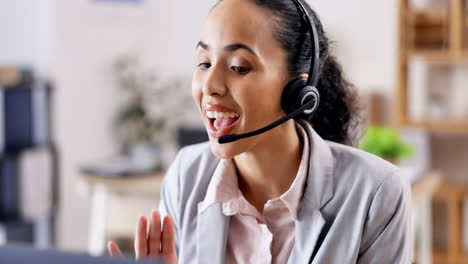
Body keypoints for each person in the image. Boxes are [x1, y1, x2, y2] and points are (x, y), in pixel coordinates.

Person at [108, 0, 413, 263]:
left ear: (298, 90)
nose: (210, 87)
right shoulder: (186, 175)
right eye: (204, 63)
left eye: (239, 67)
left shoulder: (377, 193)